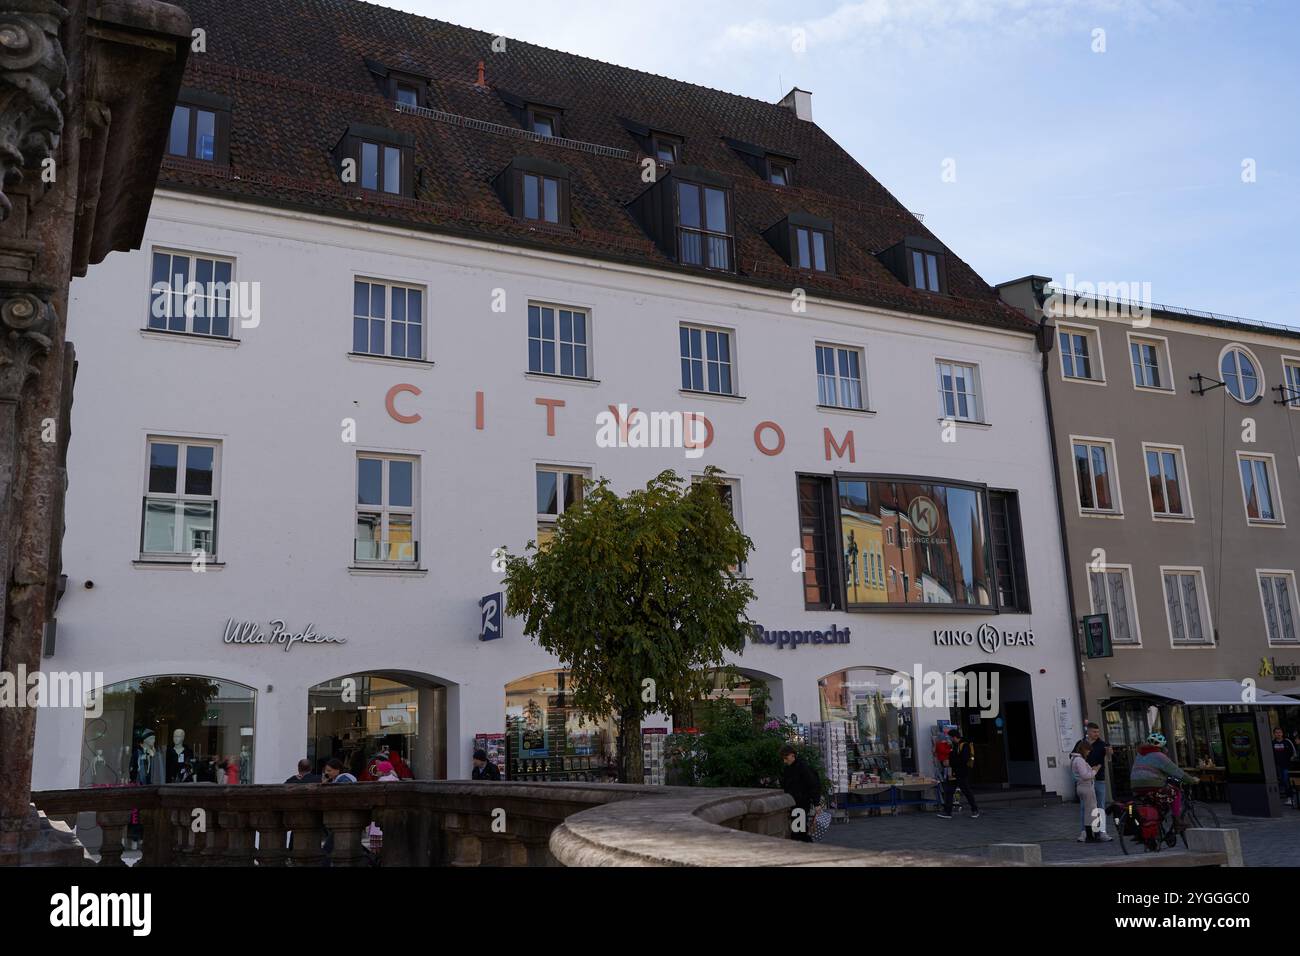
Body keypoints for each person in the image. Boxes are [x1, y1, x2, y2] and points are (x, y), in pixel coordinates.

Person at [1130, 732, 1197, 827]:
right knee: (1175, 792)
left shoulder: (1139, 755)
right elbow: (1176, 771)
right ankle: (1177, 820)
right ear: (1161, 747)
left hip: (1135, 787)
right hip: (1152, 785)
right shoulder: (1159, 756)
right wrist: (1191, 780)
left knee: (1157, 800)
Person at [1075, 722, 1112, 842]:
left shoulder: (1102, 744)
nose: (1097, 734)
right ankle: (1084, 832)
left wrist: (1109, 752)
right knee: (1084, 807)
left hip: (1099, 778)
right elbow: (1074, 756)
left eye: (1098, 732)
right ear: (1088, 732)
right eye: (1094, 732)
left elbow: (1110, 756)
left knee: (1100, 806)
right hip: (1085, 780)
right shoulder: (1081, 743)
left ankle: (1101, 832)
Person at [779, 743, 821, 842]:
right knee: (799, 831)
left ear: (792, 755)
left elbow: (813, 784)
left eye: (786, 758)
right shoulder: (789, 768)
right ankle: (807, 847)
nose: (785, 761)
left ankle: (806, 848)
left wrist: (816, 803)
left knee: (798, 831)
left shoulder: (802, 767)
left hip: (801, 803)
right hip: (796, 803)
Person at [937, 729, 979, 820]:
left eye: (950, 737)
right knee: (949, 791)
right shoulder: (954, 745)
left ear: (954, 737)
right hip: (954, 772)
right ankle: (948, 812)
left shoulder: (964, 745)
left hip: (962, 773)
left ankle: (975, 810)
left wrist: (951, 762)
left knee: (966, 791)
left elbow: (963, 759)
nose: (949, 739)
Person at [1070, 741, 1101, 843]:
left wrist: (1090, 770)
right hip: (1086, 787)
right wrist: (1094, 771)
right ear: (1084, 749)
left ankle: (1090, 835)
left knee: (1088, 811)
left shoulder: (1074, 759)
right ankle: (1092, 836)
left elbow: (1081, 773)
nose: (1088, 753)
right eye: (1088, 751)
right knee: (1092, 812)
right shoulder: (1079, 760)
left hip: (1080, 787)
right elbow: (1085, 776)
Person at [1272, 727, 1296, 806]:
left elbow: (1294, 752)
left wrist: (1291, 758)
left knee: (1286, 781)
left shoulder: (1287, 741)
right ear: (1274, 734)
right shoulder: (1272, 743)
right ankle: (1287, 797)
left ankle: (1290, 798)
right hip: (1277, 766)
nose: (1278, 734)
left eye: (1280, 732)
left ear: (1282, 733)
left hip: (1286, 765)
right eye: (1276, 732)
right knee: (1282, 781)